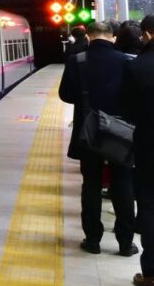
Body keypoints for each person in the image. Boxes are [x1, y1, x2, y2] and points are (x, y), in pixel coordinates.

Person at [58, 20, 137, 256]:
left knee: (91, 185)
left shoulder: (77, 60)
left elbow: (66, 95)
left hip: (88, 133)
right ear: (112, 37)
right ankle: (125, 243)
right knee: (123, 184)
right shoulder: (126, 61)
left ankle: (92, 240)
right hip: (120, 134)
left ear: (90, 36)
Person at [124, 14, 154, 286]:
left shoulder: (138, 67)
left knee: (148, 205)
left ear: (146, 34)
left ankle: (151, 274)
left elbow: (126, 110)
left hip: (148, 147)